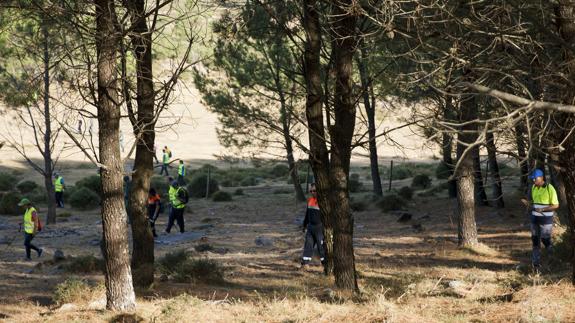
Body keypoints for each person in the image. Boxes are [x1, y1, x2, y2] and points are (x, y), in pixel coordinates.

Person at [521, 169, 559, 270]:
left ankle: (553, 259)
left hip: (546, 220)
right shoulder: (533, 187)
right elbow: (534, 204)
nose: (534, 181)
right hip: (534, 219)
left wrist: (543, 209)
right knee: (535, 240)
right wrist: (528, 204)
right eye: (532, 179)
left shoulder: (549, 188)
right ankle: (535, 264)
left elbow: (556, 205)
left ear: (541, 178)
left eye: (535, 179)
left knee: (545, 239)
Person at [300, 183, 327, 274]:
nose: (312, 192)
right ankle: (305, 265)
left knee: (321, 247)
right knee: (308, 246)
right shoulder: (310, 200)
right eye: (311, 191)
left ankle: (325, 266)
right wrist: (304, 225)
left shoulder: (324, 202)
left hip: (320, 228)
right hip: (310, 228)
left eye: (314, 190)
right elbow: (307, 215)